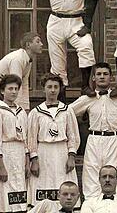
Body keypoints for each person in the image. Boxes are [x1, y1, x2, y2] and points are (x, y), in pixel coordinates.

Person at [69, 62, 117, 198]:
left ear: (111, 78)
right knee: (91, 176)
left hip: (114, 140)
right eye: (98, 74)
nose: (102, 77)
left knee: (113, 176)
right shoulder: (87, 99)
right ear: (93, 78)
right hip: (94, 140)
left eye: (105, 74)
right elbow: (67, 113)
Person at [27, 73, 80, 208]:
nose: (52, 90)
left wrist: (71, 156)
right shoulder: (36, 112)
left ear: (60, 89)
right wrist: (34, 160)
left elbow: (73, 135)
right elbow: (31, 138)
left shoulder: (67, 111)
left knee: (63, 183)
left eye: (56, 87)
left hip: (62, 152)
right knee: (42, 185)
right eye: (49, 86)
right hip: (43, 152)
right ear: (44, 88)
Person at [0, 74, 30, 213]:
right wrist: (1, 165)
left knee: (18, 189)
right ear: (3, 91)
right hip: (5, 153)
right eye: (10, 88)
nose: (14, 92)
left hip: (19, 154)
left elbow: (26, 138)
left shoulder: (21, 111)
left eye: (16, 89)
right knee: (3, 192)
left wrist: (27, 160)